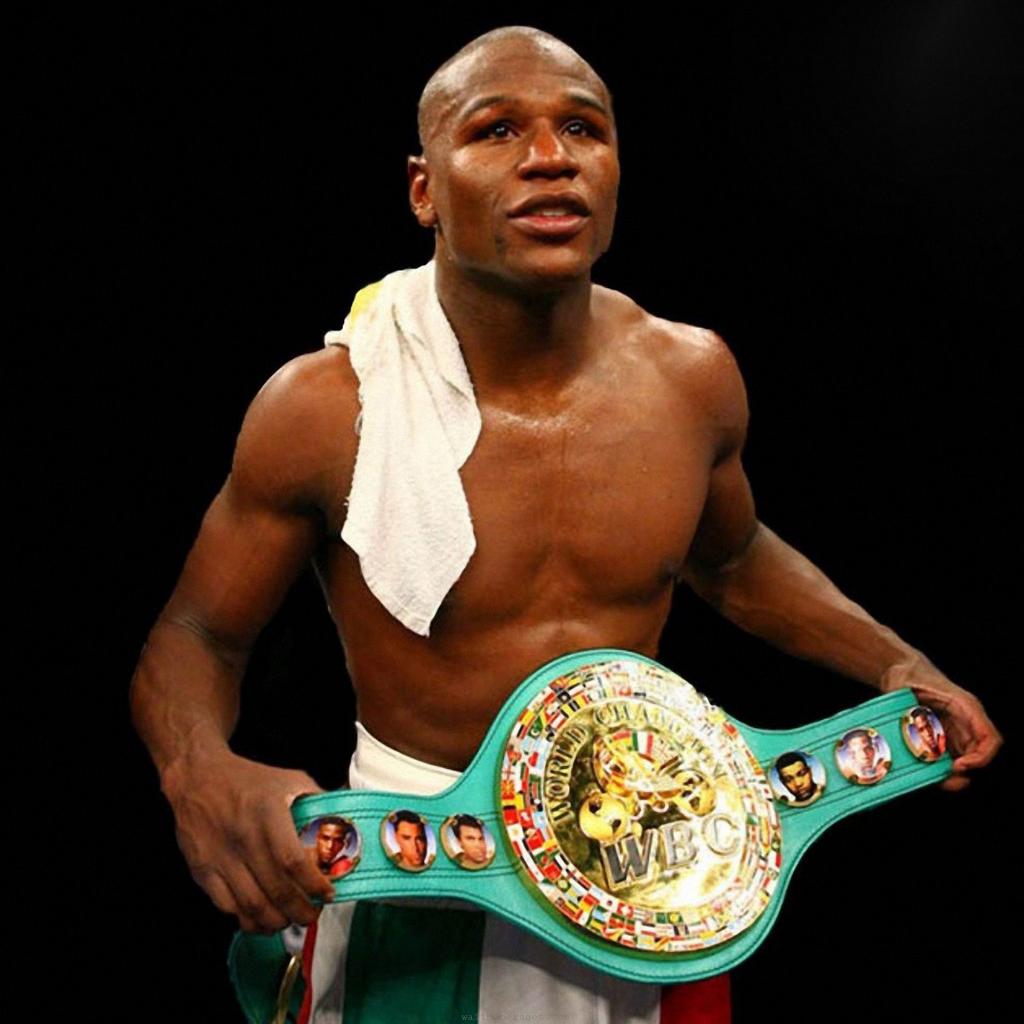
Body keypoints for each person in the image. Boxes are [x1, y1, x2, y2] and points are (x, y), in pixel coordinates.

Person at [128, 24, 1002, 1024]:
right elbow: (195, 633)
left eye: (582, 128)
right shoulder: (326, 409)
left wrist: (895, 661)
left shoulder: (690, 378)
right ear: (423, 190)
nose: (549, 156)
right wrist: (199, 773)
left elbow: (732, 557)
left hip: (665, 874)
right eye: (496, 130)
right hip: (427, 891)